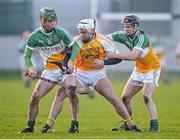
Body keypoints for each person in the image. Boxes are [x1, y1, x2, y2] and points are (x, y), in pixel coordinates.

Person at [41, 18, 141, 133]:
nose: (81, 34)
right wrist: (65, 65)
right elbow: (66, 56)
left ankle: (131, 124)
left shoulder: (103, 41)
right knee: (61, 93)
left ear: (92, 30)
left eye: (84, 32)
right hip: (79, 74)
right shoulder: (76, 41)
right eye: (80, 31)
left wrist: (104, 62)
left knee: (112, 97)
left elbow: (117, 59)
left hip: (98, 75)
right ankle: (50, 124)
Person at [18, 7, 81, 134]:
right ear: (42, 21)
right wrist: (31, 68)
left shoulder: (61, 32)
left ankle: (74, 125)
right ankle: (30, 127)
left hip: (65, 70)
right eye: (49, 21)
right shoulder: (34, 36)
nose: (53, 23)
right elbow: (27, 56)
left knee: (72, 94)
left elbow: (75, 47)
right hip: (50, 70)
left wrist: (70, 62)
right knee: (35, 97)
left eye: (54, 20)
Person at [106, 15, 161, 132]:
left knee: (146, 96)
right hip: (139, 69)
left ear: (136, 26)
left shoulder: (142, 37)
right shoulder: (122, 35)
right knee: (125, 98)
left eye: (129, 26)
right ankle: (129, 124)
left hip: (152, 69)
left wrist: (114, 55)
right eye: (125, 26)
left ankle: (154, 127)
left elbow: (133, 56)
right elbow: (103, 38)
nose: (126, 29)